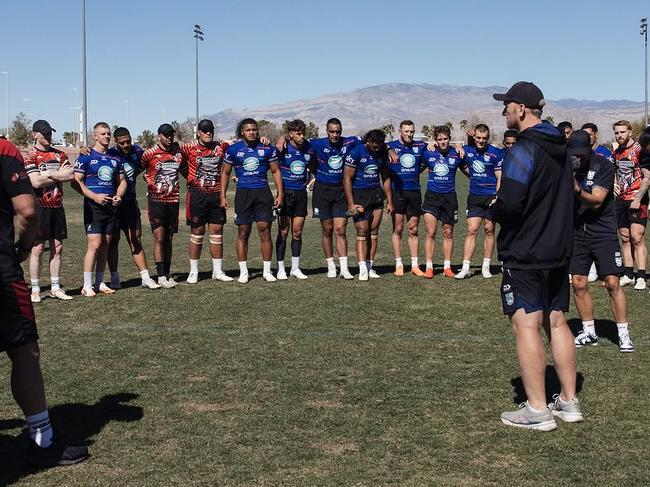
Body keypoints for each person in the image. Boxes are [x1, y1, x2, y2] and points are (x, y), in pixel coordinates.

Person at [489, 81, 581, 431]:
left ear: (522, 109)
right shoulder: (562, 146)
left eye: (508, 105)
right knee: (557, 322)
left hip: (527, 250)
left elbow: (511, 203)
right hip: (558, 249)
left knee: (525, 323)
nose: (504, 112)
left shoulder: (524, 149)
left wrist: (493, 209)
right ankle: (569, 401)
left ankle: (537, 409)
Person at [1, 137, 89, 467]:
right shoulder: (4, 150)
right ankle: (42, 440)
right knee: (24, 352)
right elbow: (27, 210)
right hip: (2, 272)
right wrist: (22, 248)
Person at [567, 130, 634, 352]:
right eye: (574, 153)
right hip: (577, 231)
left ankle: (623, 333)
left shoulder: (603, 165)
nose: (578, 158)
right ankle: (589, 331)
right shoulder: (565, 167)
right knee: (578, 283)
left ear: (590, 148)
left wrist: (575, 189)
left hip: (603, 231)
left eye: (581, 154)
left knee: (612, 282)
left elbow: (596, 201)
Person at [220, 118, 284, 283]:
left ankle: (267, 271)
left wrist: (280, 194)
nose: (252, 132)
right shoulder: (233, 150)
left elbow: (276, 171)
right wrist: (222, 195)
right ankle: (243, 271)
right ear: (242, 132)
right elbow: (225, 173)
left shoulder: (267, 147)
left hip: (263, 193)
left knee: (265, 231)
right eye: (248, 130)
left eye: (254, 129)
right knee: (243, 232)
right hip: (243, 194)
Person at [73, 122, 127, 297]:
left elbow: (122, 181)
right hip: (93, 206)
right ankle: (86, 285)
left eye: (108, 133)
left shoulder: (115, 158)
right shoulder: (86, 156)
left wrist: (119, 195)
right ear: (95, 136)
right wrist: (94, 197)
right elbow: (76, 182)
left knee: (105, 245)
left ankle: (100, 282)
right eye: (103, 134)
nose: (106, 136)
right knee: (94, 245)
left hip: (111, 206)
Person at [23, 120, 74, 302]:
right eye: (44, 134)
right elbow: (35, 182)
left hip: (57, 207)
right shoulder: (30, 156)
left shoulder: (60, 154)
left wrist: (47, 174)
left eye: (50, 133)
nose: (48, 137)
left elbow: (70, 175)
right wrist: (56, 175)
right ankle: (35, 288)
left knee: (57, 248)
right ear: (35, 134)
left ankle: (55, 287)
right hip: (39, 208)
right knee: (37, 249)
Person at [105, 127, 160, 290]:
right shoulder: (110, 155)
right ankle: (114, 278)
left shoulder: (137, 151)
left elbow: (146, 163)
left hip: (130, 202)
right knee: (112, 242)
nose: (126, 145)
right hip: (113, 204)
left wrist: (143, 173)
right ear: (116, 142)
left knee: (135, 239)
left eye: (128, 141)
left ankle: (145, 277)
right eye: (122, 143)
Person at [181, 119, 233, 284]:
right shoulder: (188, 147)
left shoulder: (220, 146)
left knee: (217, 232)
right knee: (197, 233)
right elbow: (177, 160)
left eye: (210, 130)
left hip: (216, 194)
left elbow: (240, 145)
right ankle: (193, 271)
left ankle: (217, 271)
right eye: (205, 130)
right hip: (196, 195)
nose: (208, 133)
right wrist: (189, 177)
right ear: (198, 133)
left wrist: (262, 139)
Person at [306, 118, 359, 279]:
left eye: (337, 131)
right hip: (322, 191)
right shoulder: (316, 143)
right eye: (332, 131)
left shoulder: (350, 142)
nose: (335, 134)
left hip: (342, 191)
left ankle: (344, 268)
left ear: (341, 131)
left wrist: (389, 149)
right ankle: (330, 266)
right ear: (326, 131)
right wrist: (281, 139)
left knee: (340, 229)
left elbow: (371, 140)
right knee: (327, 229)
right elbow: (294, 140)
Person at [342, 129, 393, 280]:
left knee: (374, 231)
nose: (377, 149)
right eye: (374, 146)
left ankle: (370, 267)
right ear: (368, 142)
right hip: (359, 195)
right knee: (362, 230)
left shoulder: (382, 152)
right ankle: (362, 267)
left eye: (379, 146)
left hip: (376, 194)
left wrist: (390, 200)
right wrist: (351, 204)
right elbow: (346, 179)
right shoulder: (356, 152)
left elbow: (385, 177)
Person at [456, 124, 503, 279]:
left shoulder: (495, 153)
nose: (481, 141)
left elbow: (499, 177)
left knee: (489, 230)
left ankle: (486, 266)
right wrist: (458, 146)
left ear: (487, 138)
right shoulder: (468, 151)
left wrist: (497, 196)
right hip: (475, 197)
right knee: (472, 230)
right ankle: (465, 267)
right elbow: (461, 163)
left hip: (491, 198)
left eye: (484, 138)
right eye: (478, 138)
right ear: (474, 137)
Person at [140, 124, 184, 288]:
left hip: (173, 201)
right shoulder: (149, 154)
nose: (169, 138)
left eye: (171, 134)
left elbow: (186, 168)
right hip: (156, 201)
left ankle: (167, 273)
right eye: (166, 135)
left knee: (169, 238)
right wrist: (147, 179)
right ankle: (160, 276)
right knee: (159, 237)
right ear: (159, 136)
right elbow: (137, 168)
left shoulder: (178, 152)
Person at [386, 120, 427, 277]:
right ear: (399, 131)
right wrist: (388, 148)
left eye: (411, 131)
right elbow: (373, 141)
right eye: (406, 131)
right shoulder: (390, 146)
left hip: (414, 192)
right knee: (398, 228)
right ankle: (399, 264)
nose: (409, 134)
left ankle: (415, 265)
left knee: (413, 229)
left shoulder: (420, 146)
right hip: (397, 193)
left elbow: (436, 148)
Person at [421, 125, 462, 278]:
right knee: (430, 232)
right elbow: (415, 168)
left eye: (445, 139)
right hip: (432, 197)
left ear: (449, 138)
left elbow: (469, 169)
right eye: (440, 139)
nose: (443, 142)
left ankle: (447, 267)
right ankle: (429, 267)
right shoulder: (428, 153)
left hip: (449, 198)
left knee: (448, 232)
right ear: (435, 140)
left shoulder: (457, 154)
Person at [612, 120, 649, 290]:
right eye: (617, 133)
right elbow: (616, 172)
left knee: (637, 237)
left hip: (637, 199)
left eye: (622, 132)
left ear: (630, 132)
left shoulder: (639, 150)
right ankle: (628, 274)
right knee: (625, 239)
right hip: (621, 200)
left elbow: (647, 177)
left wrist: (638, 198)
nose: (619, 135)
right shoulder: (617, 152)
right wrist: (614, 184)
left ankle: (641, 276)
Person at [275, 119, 313, 280]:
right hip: (285, 194)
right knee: (283, 231)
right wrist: (281, 137)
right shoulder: (281, 148)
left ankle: (295, 268)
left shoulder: (309, 148)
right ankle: (281, 268)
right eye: (298, 133)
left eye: (303, 133)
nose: (302, 136)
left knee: (297, 232)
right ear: (290, 134)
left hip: (301, 194)